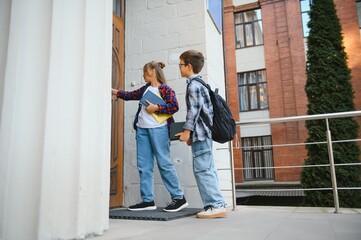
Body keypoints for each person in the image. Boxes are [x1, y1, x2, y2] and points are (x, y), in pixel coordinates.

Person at [112, 61, 188, 212]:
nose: (143, 74)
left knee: (164, 164)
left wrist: (157, 107)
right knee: (144, 166)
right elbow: (130, 95)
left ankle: (179, 197)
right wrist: (114, 92)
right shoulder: (146, 89)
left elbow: (174, 106)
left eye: (145, 71)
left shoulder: (165, 90)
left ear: (153, 71)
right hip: (142, 131)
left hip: (159, 130)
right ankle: (147, 200)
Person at [176, 50, 227, 219]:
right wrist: (191, 135)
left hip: (201, 135)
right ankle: (217, 203)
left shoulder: (194, 85)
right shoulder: (200, 84)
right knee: (207, 169)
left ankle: (215, 205)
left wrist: (186, 132)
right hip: (203, 134)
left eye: (181, 65)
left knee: (203, 170)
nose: (179, 68)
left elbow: (194, 111)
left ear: (188, 66)